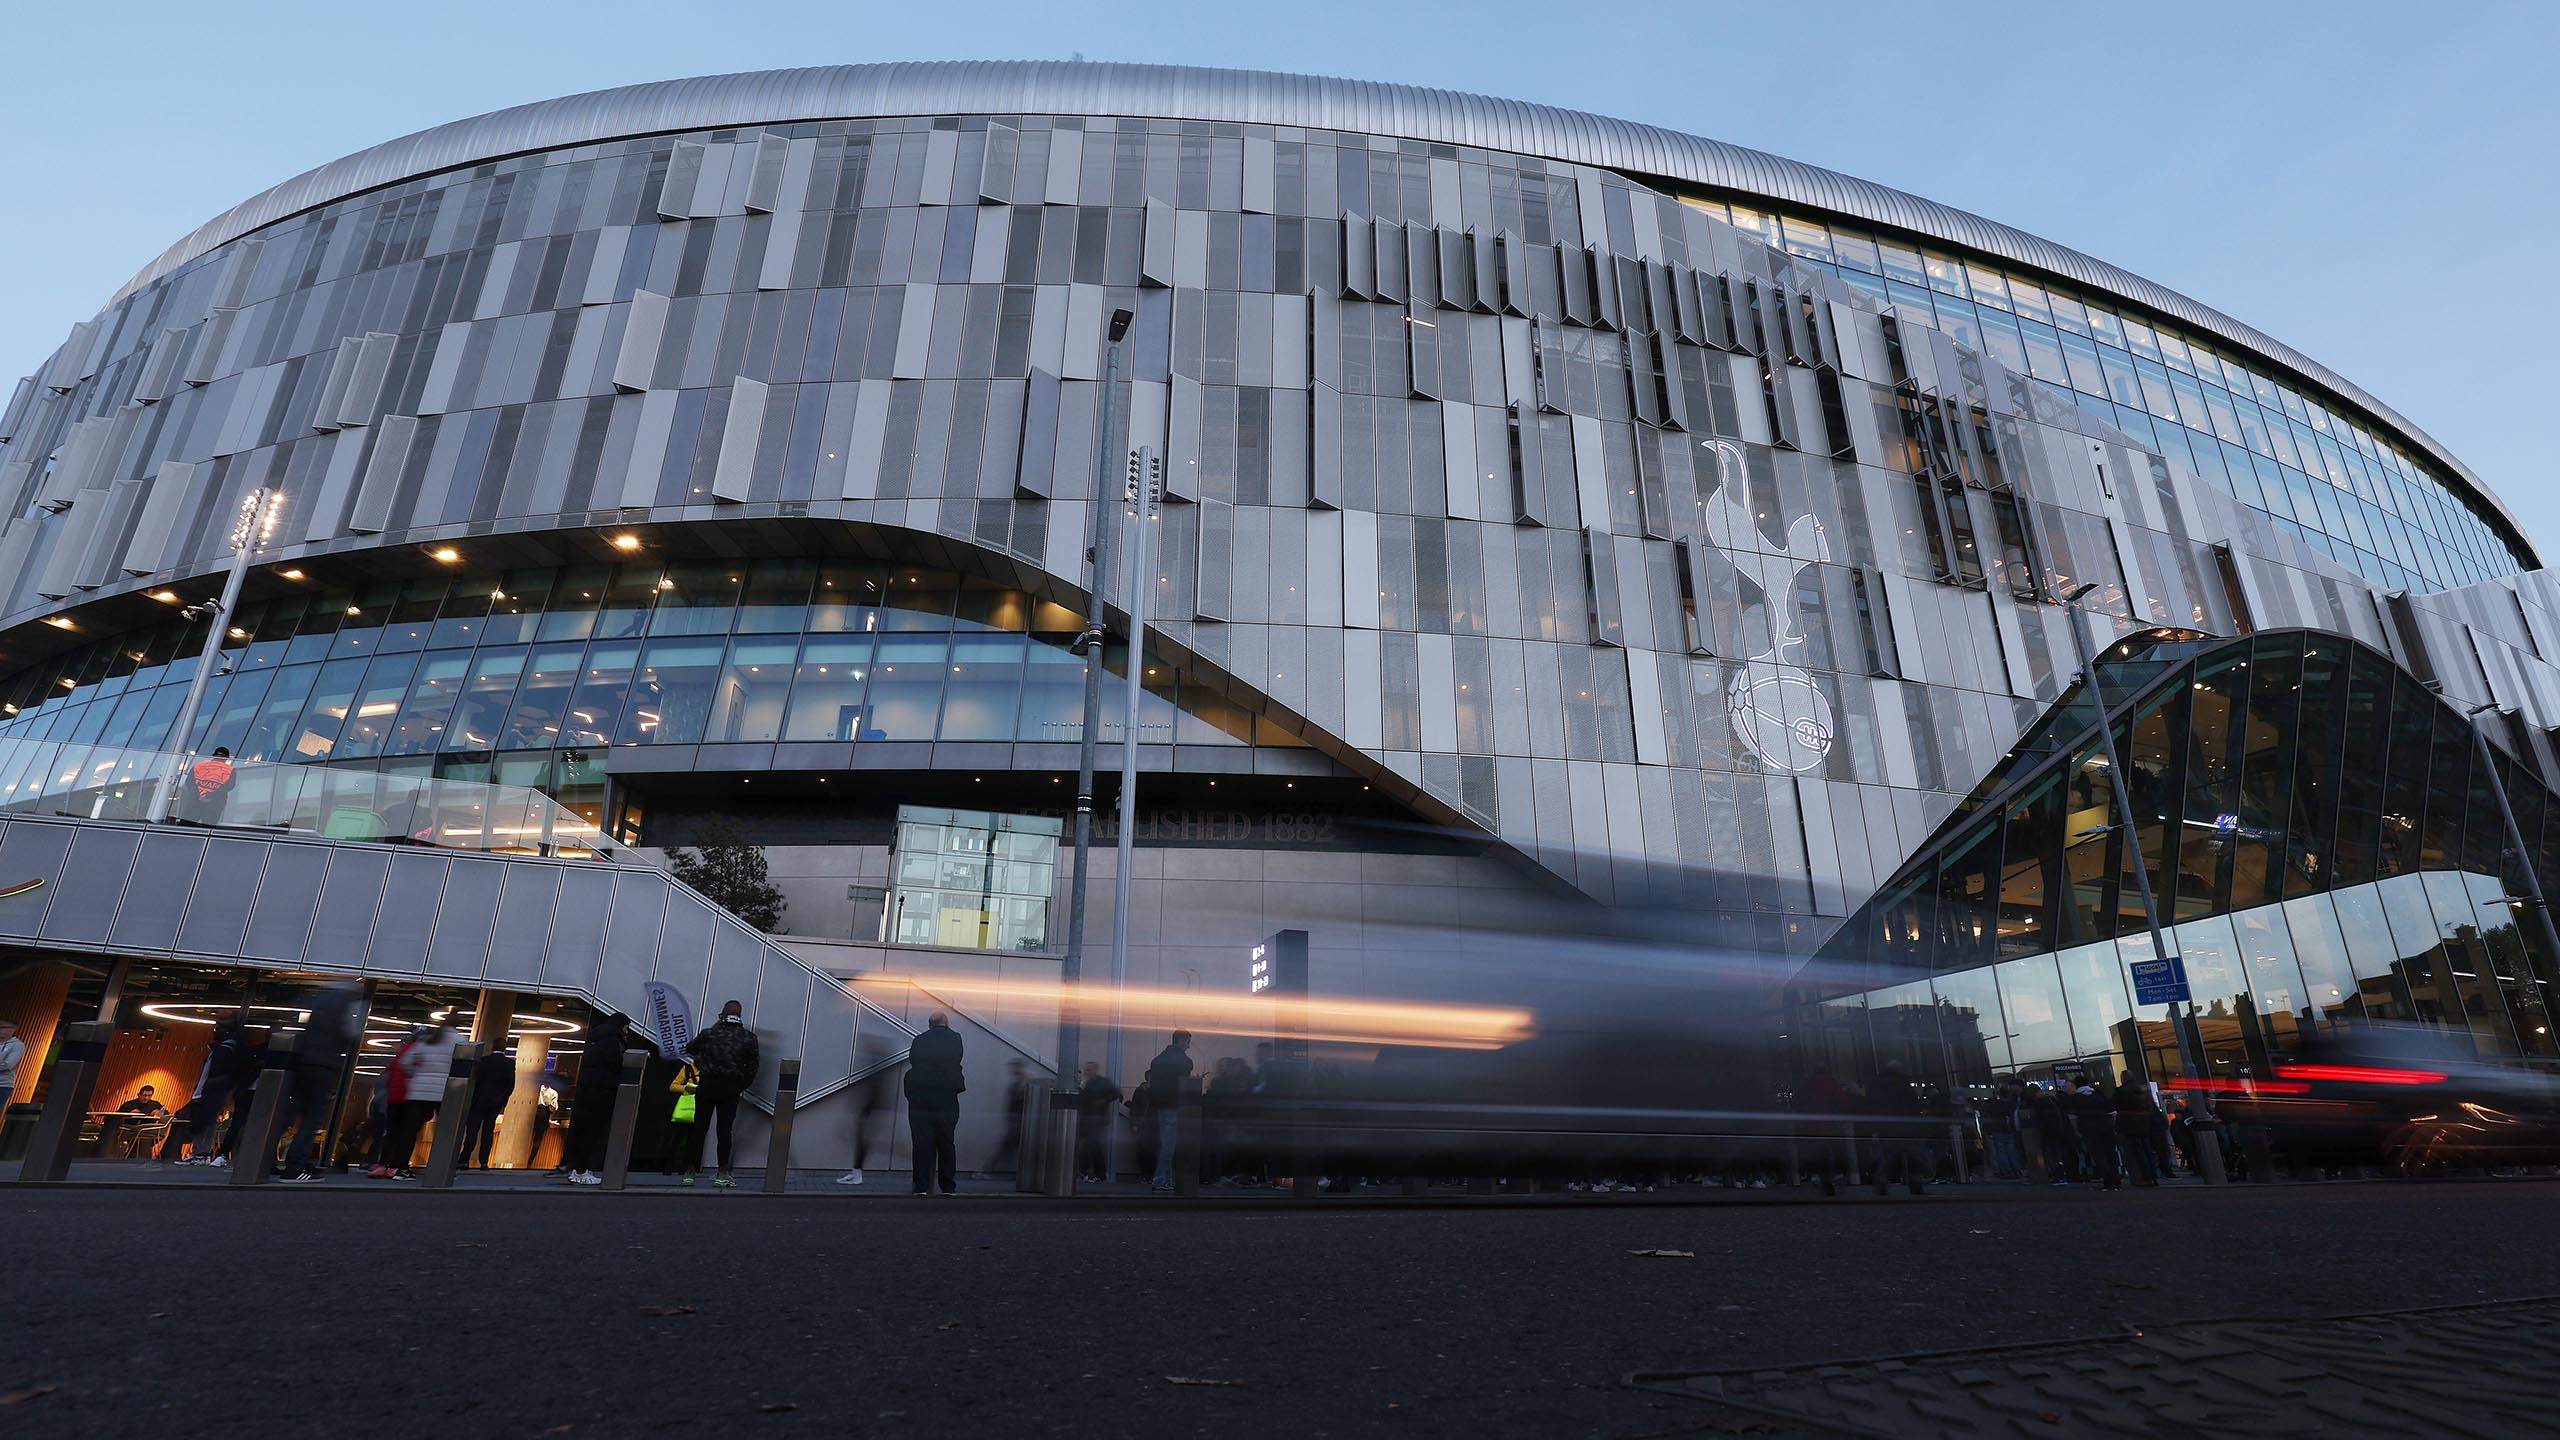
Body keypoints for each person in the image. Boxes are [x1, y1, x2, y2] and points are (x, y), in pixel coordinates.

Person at [277, 981, 365, 1184]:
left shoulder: (320, 1001)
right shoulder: (349, 1004)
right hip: (323, 1063)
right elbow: (352, 1032)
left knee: (292, 1113)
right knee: (313, 1118)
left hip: (304, 1060)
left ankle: (267, 1161)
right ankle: (295, 1166)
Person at [684, 1000, 761, 1188]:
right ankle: (722, 1172)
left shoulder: (710, 1034)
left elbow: (690, 1048)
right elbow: (753, 1067)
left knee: (699, 1128)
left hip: (707, 1084)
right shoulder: (749, 1037)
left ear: (723, 1014)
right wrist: (741, 1085)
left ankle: (689, 1172)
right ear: (740, 1015)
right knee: (724, 1130)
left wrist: (716, 1025)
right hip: (731, 1087)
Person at [156, 1016, 248, 1166]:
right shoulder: (226, 1049)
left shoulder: (223, 1050)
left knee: (205, 1121)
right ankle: (201, 1153)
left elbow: (218, 1073)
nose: (215, 1031)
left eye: (219, 1028)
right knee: (207, 1122)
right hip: (213, 1090)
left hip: (212, 1091)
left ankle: (201, 1153)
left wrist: (205, 1088)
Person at [370, 1021, 455, 1179]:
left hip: (415, 1092)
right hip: (441, 1091)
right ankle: (442, 1168)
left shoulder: (422, 1044)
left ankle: (395, 1166)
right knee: (445, 1131)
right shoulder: (457, 1041)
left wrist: (415, 1076)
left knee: (406, 1131)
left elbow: (404, 1064)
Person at [564, 1013, 632, 1185]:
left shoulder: (595, 1038)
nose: (627, 1031)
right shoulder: (612, 1041)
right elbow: (614, 1063)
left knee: (584, 1130)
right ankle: (582, 1171)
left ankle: (577, 1168)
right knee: (594, 1132)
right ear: (621, 1025)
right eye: (626, 1027)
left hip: (587, 1090)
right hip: (602, 1090)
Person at [903, 1013, 965, 1195]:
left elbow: (913, 1060)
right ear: (946, 1023)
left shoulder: (919, 1040)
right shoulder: (956, 1039)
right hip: (946, 1097)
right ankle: (948, 1186)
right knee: (946, 1142)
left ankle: (921, 1186)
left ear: (929, 1025)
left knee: (921, 1143)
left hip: (921, 1097)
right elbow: (957, 1059)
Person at [1145, 1030, 1195, 1192]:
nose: (1188, 1046)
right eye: (1187, 1042)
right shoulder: (1184, 1061)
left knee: (1166, 1142)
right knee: (1169, 1144)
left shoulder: (1157, 1060)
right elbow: (1185, 1083)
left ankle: (1166, 1179)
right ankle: (1160, 1179)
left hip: (1159, 1105)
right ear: (1182, 1041)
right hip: (1175, 1105)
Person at [459, 1044, 519, 1171]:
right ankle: (484, 1162)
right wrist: (503, 1100)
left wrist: (472, 1098)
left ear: (492, 1047)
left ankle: (464, 1160)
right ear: (504, 1048)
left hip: (478, 1101)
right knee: (488, 1132)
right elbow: (511, 1085)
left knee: (472, 1132)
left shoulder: (483, 1061)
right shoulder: (509, 1063)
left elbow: (475, 1080)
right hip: (495, 1103)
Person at [836, 1062, 894, 1186]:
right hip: (870, 1113)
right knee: (861, 1143)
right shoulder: (877, 1074)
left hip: (870, 1113)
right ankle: (856, 1172)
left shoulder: (876, 1075)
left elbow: (875, 1096)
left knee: (862, 1143)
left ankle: (857, 1175)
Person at [977, 1060, 1031, 1180]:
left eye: (1014, 1068)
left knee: (1005, 1148)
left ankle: (989, 1171)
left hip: (1018, 1123)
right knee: (1009, 1149)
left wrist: (1013, 1121)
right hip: (1019, 1123)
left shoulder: (1023, 1084)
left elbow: (1017, 1104)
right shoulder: (1020, 1083)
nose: (1011, 1070)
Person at [1075, 1061, 1123, 1183]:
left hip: (1095, 1118)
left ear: (1095, 1070)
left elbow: (1117, 1093)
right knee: (1093, 1146)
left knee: (1090, 1146)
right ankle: (1097, 1174)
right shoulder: (1089, 1083)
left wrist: (1103, 1100)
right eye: (1087, 1070)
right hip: (1090, 1118)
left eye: (1089, 1070)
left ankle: (1089, 1173)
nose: (1087, 1072)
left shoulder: (1101, 1083)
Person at [2112, 1074, 2163, 1188]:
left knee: (2133, 1153)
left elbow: (2112, 1104)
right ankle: (2152, 1176)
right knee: (2146, 1151)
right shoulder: (2142, 1091)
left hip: (2128, 1125)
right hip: (2143, 1124)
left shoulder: (2121, 1092)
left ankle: (2141, 1177)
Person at [182, 746, 237, 824]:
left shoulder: (198, 766)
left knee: (186, 826)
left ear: (213, 755)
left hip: (195, 802)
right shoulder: (230, 770)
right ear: (227, 758)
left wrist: (198, 795)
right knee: (208, 829)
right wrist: (210, 796)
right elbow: (228, 787)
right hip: (214, 804)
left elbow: (189, 783)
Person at [0, 1017, 20, 1103]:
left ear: (14, 1029)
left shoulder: (17, 1045)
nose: (1, 1030)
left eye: (4, 1027)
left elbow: (8, 1065)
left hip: (3, 1085)